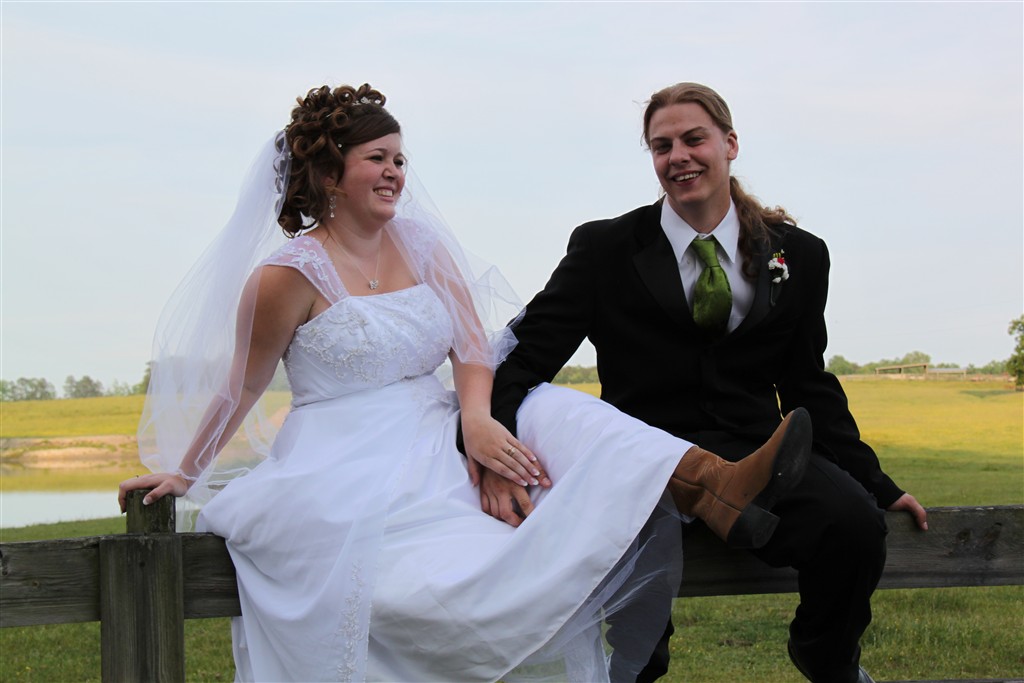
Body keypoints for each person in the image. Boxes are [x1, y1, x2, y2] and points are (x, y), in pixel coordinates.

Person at [118, 83, 811, 683]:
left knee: (559, 408)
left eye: (400, 159)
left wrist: (478, 421)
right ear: (330, 174)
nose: (395, 174)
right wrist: (185, 470)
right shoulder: (286, 277)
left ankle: (716, 483)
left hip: (440, 420)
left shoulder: (422, 245)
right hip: (346, 455)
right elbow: (241, 389)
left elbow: (473, 349)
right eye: (377, 159)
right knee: (444, 574)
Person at [485, 82, 929, 683]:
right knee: (636, 620)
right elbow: (525, 358)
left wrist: (875, 482)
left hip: (755, 454)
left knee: (853, 525)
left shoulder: (798, 254)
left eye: (694, 139)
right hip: (641, 461)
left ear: (730, 143)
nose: (679, 157)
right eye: (661, 146)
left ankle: (827, 657)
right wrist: (490, 448)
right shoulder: (606, 248)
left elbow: (808, 382)